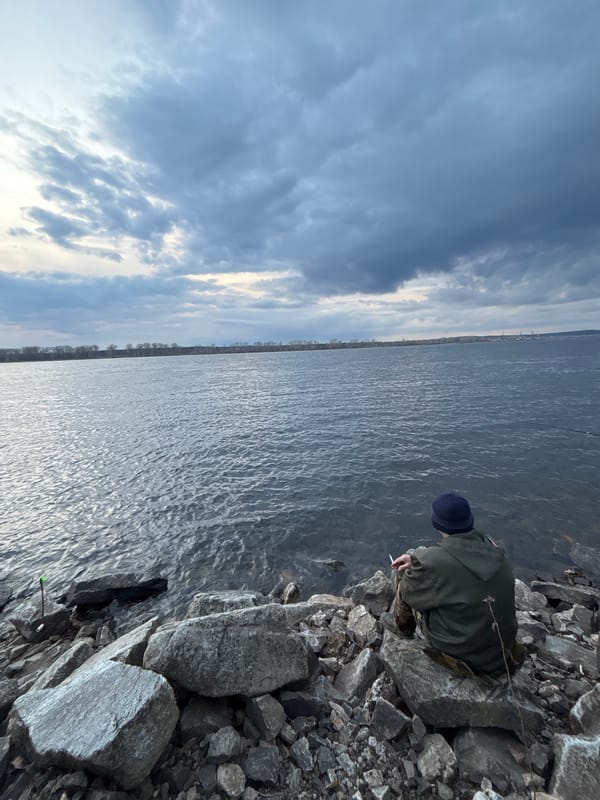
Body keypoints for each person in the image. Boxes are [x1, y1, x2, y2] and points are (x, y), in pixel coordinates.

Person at [391, 492, 519, 676]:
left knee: (403, 577)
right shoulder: (494, 549)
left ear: (437, 524)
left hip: (465, 656)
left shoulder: (430, 562)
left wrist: (416, 568)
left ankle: (404, 635)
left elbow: (412, 594)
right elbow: (456, 570)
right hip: (501, 652)